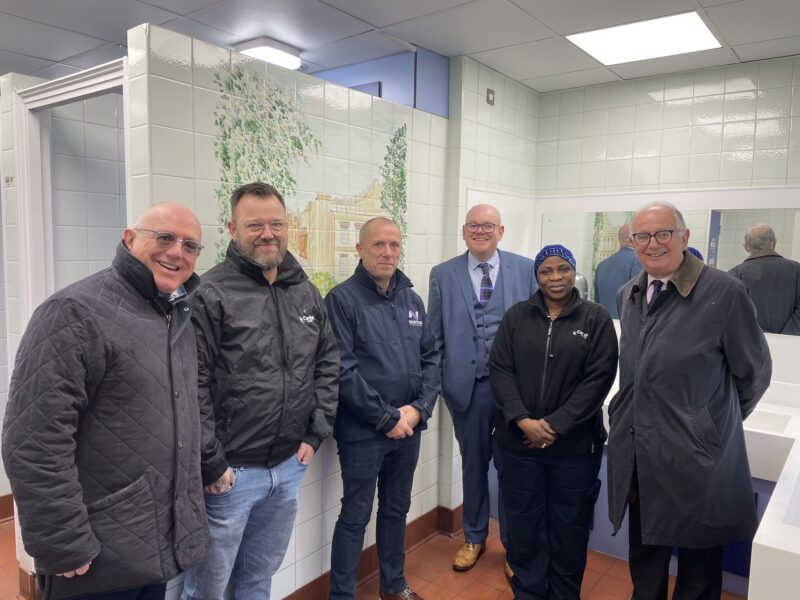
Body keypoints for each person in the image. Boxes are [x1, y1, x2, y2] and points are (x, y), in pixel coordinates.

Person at [2, 203, 208, 600]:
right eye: (164, 237)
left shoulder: (175, 314)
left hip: (153, 546)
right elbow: (32, 440)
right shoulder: (73, 312)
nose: (177, 252)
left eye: (190, 245)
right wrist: (63, 541)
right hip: (93, 554)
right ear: (129, 239)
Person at [181, 182, 339, 600]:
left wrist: (315, 431)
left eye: (276, 224)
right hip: (231, 474)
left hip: (288, 467)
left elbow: (327, 362)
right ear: (233, 228)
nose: (267, 234)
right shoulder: (210, 293)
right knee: (206, 589)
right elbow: (190, 383)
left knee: (258, 578)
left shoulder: (304, 291)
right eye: (255, 225)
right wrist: (212, 463)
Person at [607, 202, 772, 600]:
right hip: (640, 457)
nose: (653, 243)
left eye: (663, 233)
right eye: (642, 236)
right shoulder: (626, 295)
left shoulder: (725, 292)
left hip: (696, 464)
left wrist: (707, 425)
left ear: (684, 237)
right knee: (645, 566)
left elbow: (754, 373)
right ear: (632, 243)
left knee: (698, 577)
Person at [490, 244, 618, 600]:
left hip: (575, 450)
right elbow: (500, 371)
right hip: (518, 446)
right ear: (537, 276)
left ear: (573, 272)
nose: (555, 277)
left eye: (562, 269)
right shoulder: (516, 317)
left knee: (569, 530)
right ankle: (528, 593)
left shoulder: (596, 319)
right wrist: (522, 420)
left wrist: (554, 426)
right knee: (523, 528)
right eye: (546, 270)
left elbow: (598, 379)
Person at [325, 217, 439, 600]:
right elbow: (342, 369)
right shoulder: (341, 300)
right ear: (360, 250)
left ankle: (393, 586)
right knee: (355, 517)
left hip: (408, 428)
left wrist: (419, 409)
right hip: (363, 432)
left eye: (394, 245)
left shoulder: (412, 299)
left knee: (396, 510)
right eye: (378, 245)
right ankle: (341, 596)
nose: (387, 252)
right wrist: (386, 417)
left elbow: (431, 358)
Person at [427, 203, 537, 572]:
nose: (480, 231)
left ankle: (513, 547)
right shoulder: (442, 274)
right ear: (464, 231)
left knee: (512, 469)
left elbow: (539, 331)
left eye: (488, 226)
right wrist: (443, 383)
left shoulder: (526, 269)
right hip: (466, 391)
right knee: (473, 466)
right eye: (473, 225)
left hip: (515, 393)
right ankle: (474, 538)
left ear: (501, 232)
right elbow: (435, 337)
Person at [728, 223, 800, 335]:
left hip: (750, 344)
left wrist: (760, 335)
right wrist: (787, 335)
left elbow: (732, 314)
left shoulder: (733, 275)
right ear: (774, 243)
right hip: (793, 343)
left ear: (745, 246)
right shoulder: (797, 270)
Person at [593, 223, 641, 317]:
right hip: (628, 327)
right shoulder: (639, 262)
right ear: (634, 239)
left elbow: (597, 300)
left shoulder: (601, 266)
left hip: (605, 325)